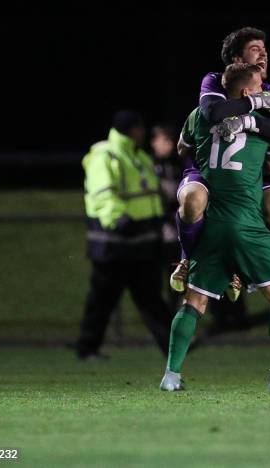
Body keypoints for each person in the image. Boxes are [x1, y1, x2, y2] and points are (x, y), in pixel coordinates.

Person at [160, 64, 270, 391]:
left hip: (212, 223)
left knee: (194, 302)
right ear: (245, 93)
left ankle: (171, 376)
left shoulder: (199, 116)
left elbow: (184, 149)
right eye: (258, 86)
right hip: (247, 225)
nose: (263, 91)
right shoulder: (262, 126)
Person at [171, 27, 270, 294]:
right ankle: (186, 259)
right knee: (193, 199)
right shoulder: (214, 81)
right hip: (207, 175)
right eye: (254, 49)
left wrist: (245, 120)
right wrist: (255, 104)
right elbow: (215, 112)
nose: (263, 53)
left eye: (264, 49)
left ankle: (246, 266)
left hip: (243, 181)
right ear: (237, 60)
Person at [76, 110, 171, 360]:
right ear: (132, 130)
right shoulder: (105, 155)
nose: (144, 133)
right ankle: (87, 349)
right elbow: (102, 194)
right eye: (140, 128)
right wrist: (118, 220)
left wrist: (159, 217)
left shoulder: (139, 157)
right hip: (115, 244)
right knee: (102, 301)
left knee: (152, 301)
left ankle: (174, 348)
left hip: (142, 242)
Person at [150, 125, 183, 316]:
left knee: (176, 276)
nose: (169, 145)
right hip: (158, 231)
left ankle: (174, 315)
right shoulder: (149, 165)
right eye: (164, 140)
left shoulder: (177, 165)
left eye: (170, 140)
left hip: (175, 232)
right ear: (154, 142)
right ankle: (164, 316)